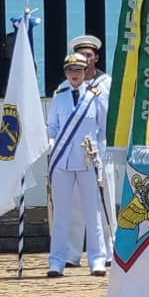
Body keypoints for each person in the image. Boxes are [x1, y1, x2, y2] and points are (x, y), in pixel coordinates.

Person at [46, 53, 109, 277]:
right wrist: (52, 144)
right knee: (61, 214)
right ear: (66, 72)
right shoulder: (59, 96)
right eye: (71, 70)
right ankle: (56, 261)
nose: (75, 74)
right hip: (63, 161)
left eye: (79, 70)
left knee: (93, 213)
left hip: (87, 160)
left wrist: (94, 149)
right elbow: (51, 126)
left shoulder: (95, 97)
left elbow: (103, 129)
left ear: (85, 72)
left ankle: (97, 259)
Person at [55, 34, 114, 263]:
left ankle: (108, 251)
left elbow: (109, 119)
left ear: (96, 58)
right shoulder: (64, 88)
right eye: (81, 56)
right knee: (75, 204)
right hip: (73, 153)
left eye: (88, 55)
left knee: (104, 201)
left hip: (100, 149)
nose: (85, 60)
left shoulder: (106, 83)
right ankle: (72, 253)